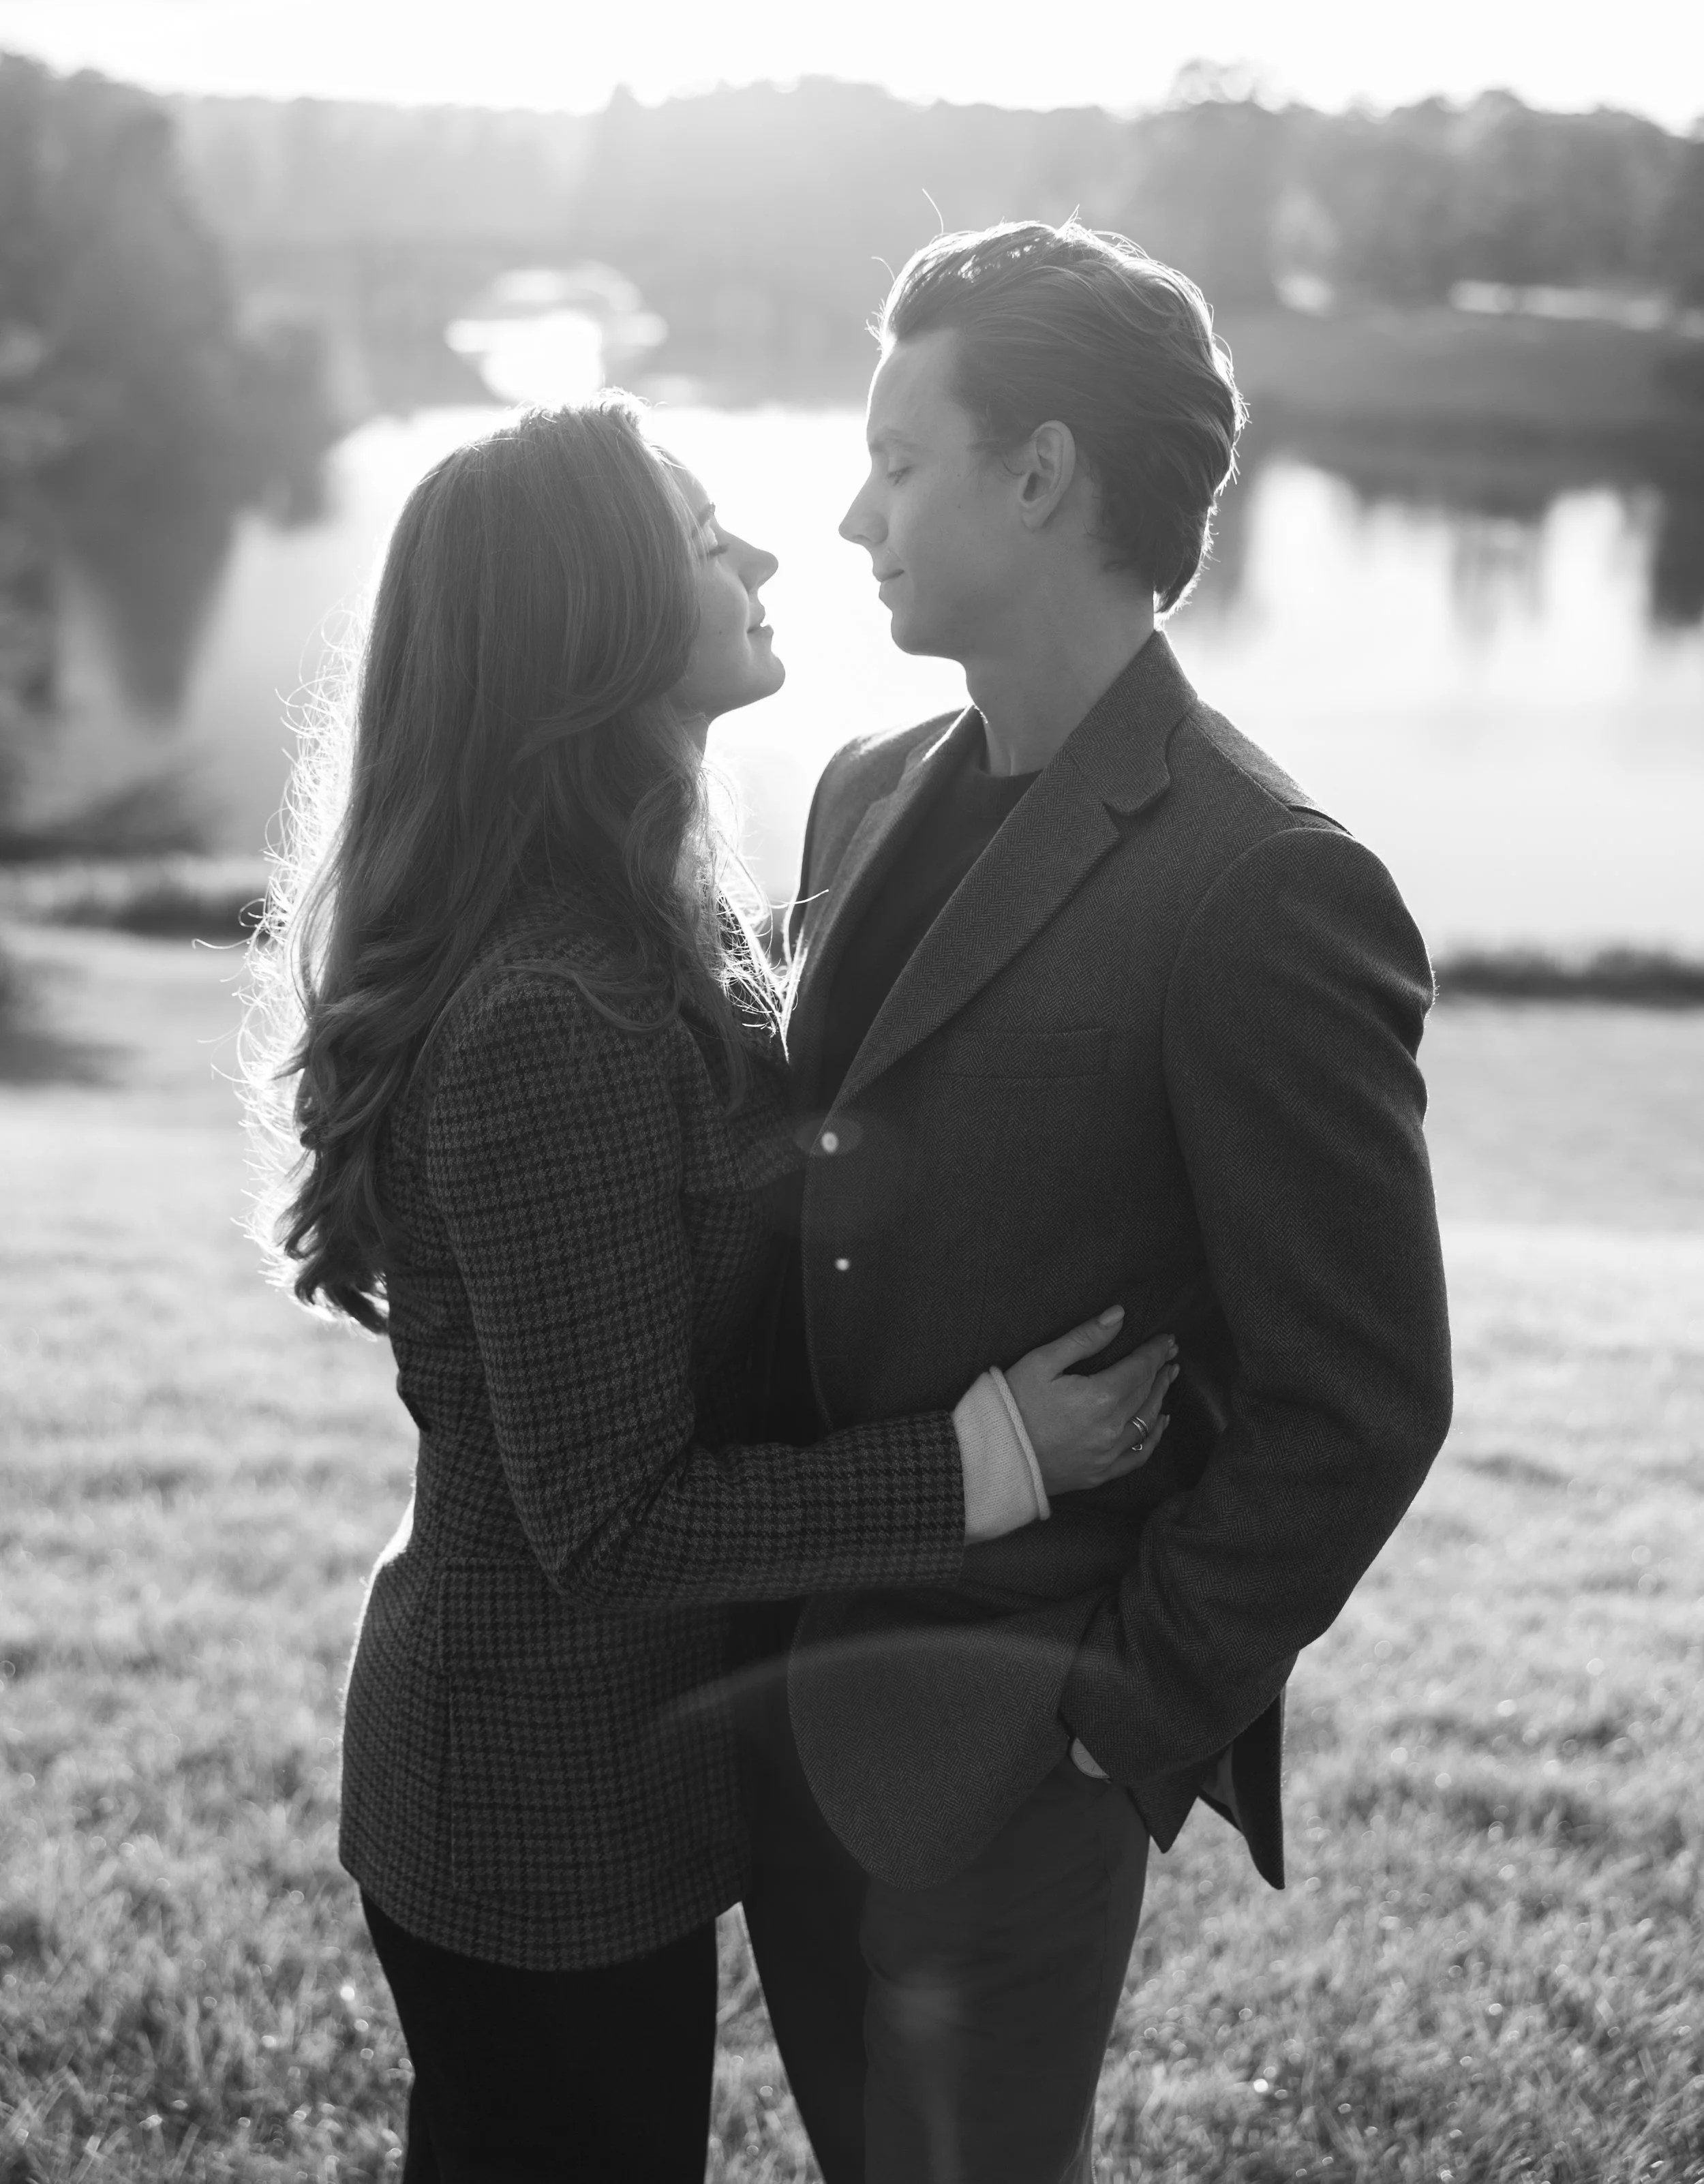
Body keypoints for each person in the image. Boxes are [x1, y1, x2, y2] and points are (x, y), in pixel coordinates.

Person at [242, 397, 1174, 2184]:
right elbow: (613, 1520)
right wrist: (994, 1453)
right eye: (700, 536)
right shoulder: (548, 1023)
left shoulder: (643, 918)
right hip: (529, 1801)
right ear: (585, 619)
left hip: (611, 1774)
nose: (760, 555)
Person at [744, 222, 1455, 2183]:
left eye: (900, 459)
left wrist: (1121, 1709)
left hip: (1007, 1758)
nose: (850, 510)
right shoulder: (862, 785)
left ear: (1040, 472)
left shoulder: (1263, 884)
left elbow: (1362, 1391)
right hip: (778, 1700)